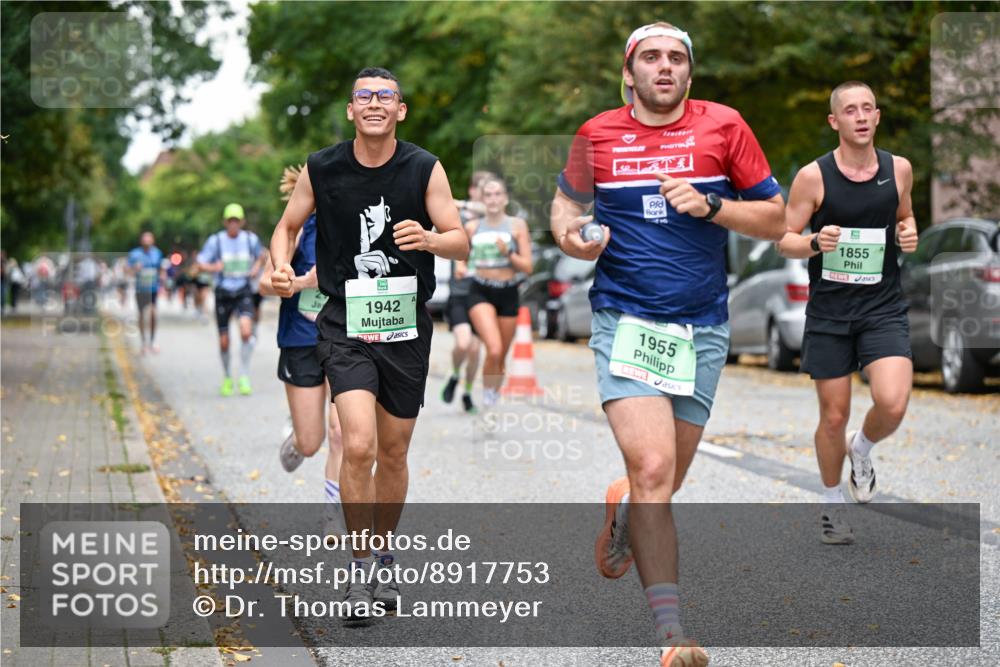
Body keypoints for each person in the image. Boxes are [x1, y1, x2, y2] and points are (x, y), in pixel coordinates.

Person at [550, 22, 785, 667]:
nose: (664, 67)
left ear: (689, 72)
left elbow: (777, 216)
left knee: (663, 481)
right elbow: (564, 212)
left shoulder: (725, 128)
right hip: (624, 320)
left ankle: (624, 506)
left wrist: (713, 207)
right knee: (653, 468)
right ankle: (673, 631)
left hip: (703, 327)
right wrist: (576, 239)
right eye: (650, 57)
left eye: (676, 58)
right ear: (629, 72)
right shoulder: (596, 135)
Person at [268, 67, 469, 625]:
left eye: (385, 96)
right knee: (356, 444)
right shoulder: (323, 167)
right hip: (344, 321)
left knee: (394, 451)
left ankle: (382, 553)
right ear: (351, 110)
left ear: (400, 110)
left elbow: (460, 240)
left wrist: (429, 239)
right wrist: (282, 266)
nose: (375, 103)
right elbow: (287, 227)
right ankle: (359, 571)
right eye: (364, 96)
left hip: (406, 324)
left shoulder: (424, 168)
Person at [777, 81, 918, 544]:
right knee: (833, 417)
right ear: (834, 121)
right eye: (849, 110)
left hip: (882, 307)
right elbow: (786, 238)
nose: (860, 116)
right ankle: (831, 505)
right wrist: (816, 242)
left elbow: (904, 216)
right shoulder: (813, 177)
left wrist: (909, 232)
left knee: (893, 402)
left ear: (877, 116)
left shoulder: (898, 169)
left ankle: (864, 448)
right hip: (831, 313)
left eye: (867, 108)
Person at [259, 165, 346, 539]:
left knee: (341, 432)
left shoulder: (352, 226)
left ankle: (333, 515)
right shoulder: (295, 230)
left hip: (346, 335)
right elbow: (265, 283)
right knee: (312, 442)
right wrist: (298, 282)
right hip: (300, 337)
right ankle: (296, 440)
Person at [464, 176, 532, 407]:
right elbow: (461, 259)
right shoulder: (472, 227)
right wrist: (462, 268)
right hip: (480, 291)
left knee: (501, 354)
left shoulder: (517, 226)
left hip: (508, 292)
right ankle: (486, 394)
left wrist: (508, 254)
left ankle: (493, 393)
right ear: (482, 200)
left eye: (497, 194)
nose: (493, 199)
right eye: (488, 195)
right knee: (493, 348)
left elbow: (528, 266)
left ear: (505, 198)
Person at [196, 203, 265, 396]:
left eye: (237, 221)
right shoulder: (216, 241)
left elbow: (262, 256)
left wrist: (255, 268)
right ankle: (227, 377)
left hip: (243, 291)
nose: (233, 224)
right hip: (223, 293)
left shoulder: (250, 239)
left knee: (245, 331)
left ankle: (243, 375)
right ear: (225, 222)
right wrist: (213, 268)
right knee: (224, 341)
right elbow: (200, 264)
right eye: (230, 221)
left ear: (242, 222)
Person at [440, 170, 493, 413]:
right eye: (480, 190)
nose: (484, 195)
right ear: (472, 190)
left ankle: (468, 392)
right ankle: (453, 375)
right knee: (463, 344)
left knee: (475, 349)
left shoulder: (491, 219)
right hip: (459, 293)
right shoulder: (458, 216)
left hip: (483, 294)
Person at [128, 231, 166, 354]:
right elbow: (127, 270)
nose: (147, 241)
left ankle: (152, 341)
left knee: (153, 314)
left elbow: (161, 269)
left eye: (149, 239)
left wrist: (162, 277)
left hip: (153, 289)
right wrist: (135, 268)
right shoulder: (134, 254)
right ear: (141, 241)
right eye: (144, 238)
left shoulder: (157, 253)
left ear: (153, 240)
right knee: (141, 315)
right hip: (140, 289)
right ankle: (143, 342)